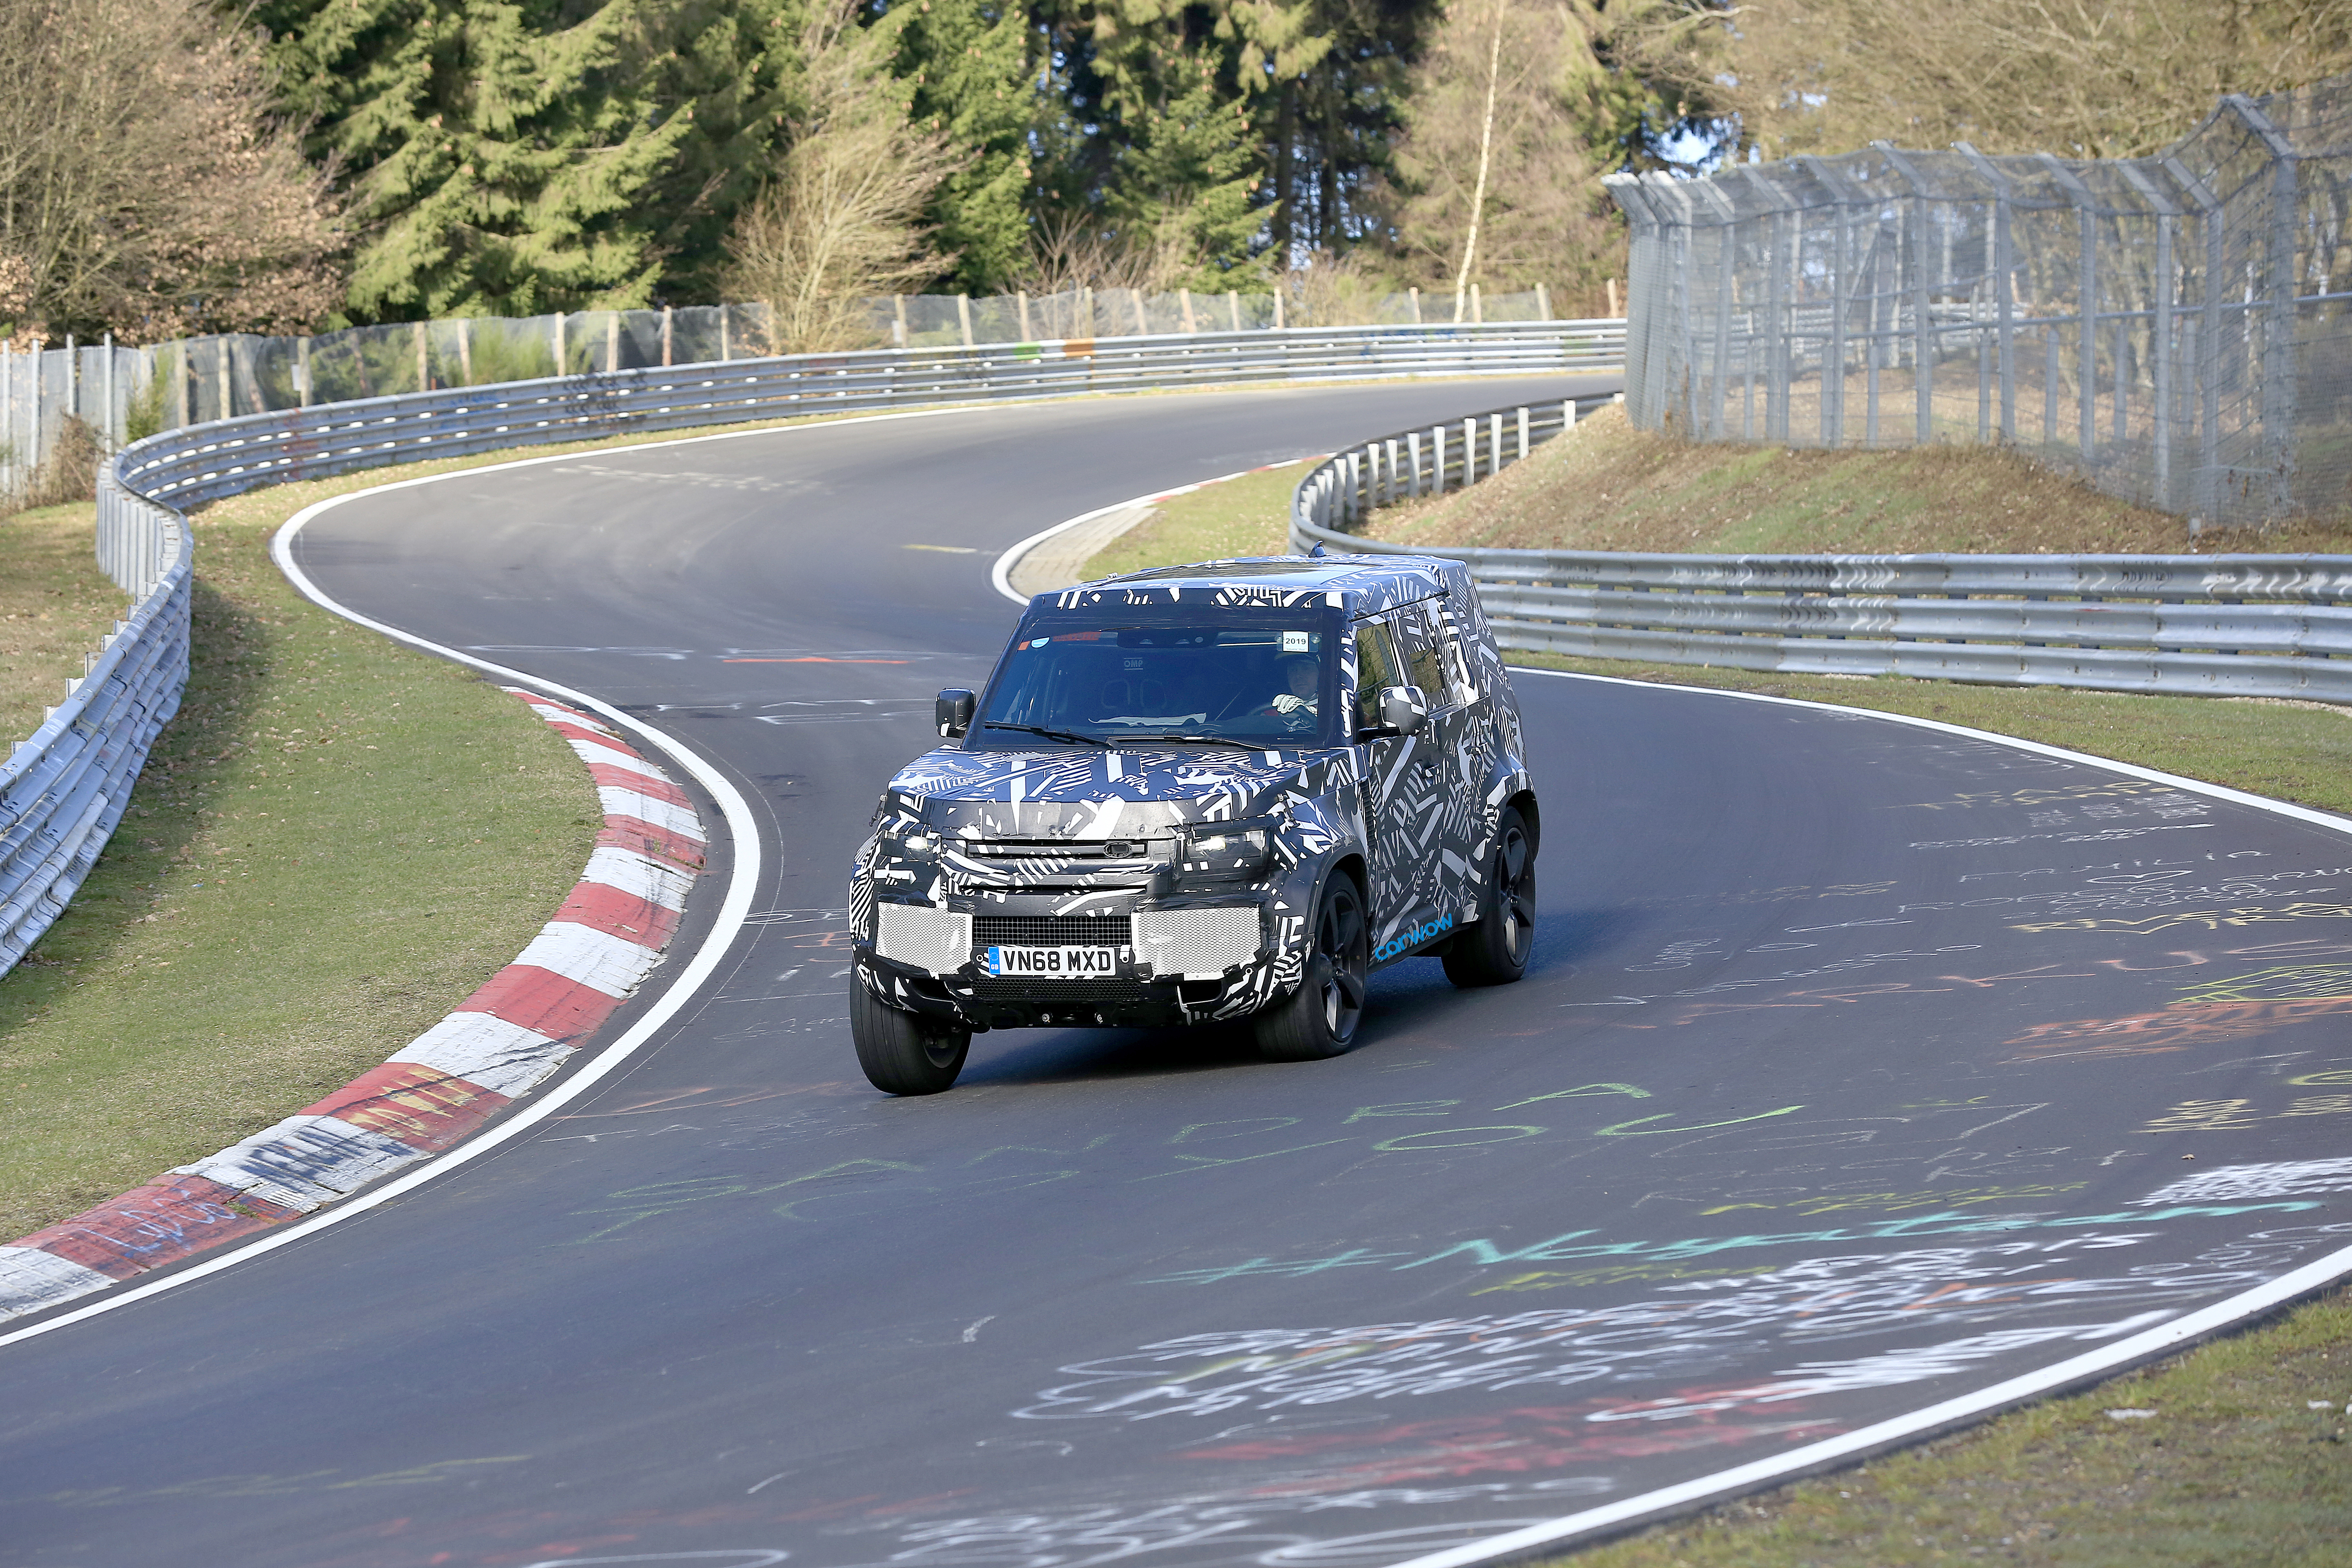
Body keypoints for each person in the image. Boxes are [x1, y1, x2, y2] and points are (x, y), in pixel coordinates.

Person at [1262, 654, 1319, 719]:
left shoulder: (1331, 708)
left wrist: (1310, 713)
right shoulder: (1272, 713)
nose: (1298, 676)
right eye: (1293, 670)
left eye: (1306, 669)